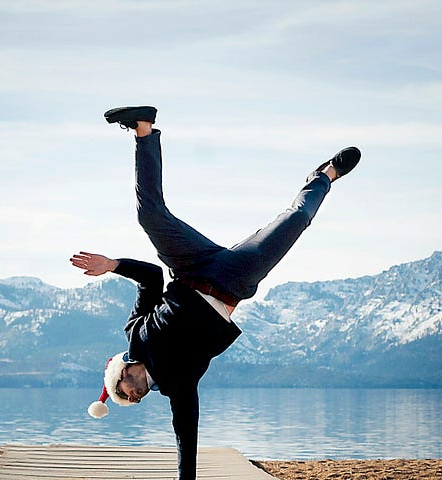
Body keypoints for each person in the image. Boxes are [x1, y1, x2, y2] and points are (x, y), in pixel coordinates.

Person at [71, 106, 360, 480]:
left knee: (151, 216)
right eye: (131, 401)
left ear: (122, 372)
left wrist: (114, 265)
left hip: (189, 266)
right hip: (233, 280)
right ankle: (324, 177)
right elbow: (185, 434)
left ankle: (143, 130)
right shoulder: (178, 386)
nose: (133, 398)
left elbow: (152, 278)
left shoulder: (135, 334)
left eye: (124, 393)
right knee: (295, 220)